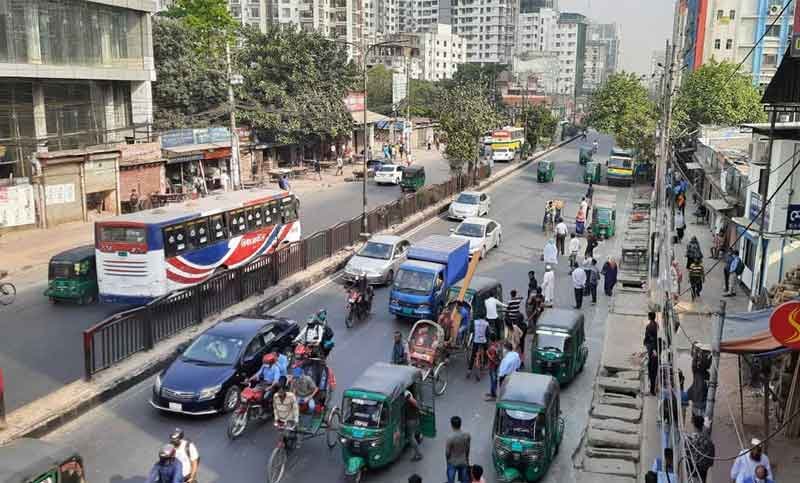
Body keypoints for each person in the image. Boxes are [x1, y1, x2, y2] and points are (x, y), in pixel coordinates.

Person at [686, 416, 715, 483]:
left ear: (694, 425)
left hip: (696, 466)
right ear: (702, 425)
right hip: (705, 466)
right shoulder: (708, 439)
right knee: (703, 479)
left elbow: (690, 455)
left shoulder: (693, 440)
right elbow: (711, 453)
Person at [445, 416, 471, 483]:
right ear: (460, 424)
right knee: (464, 480)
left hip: (452, 462)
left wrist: (447, 461)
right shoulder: (467, 435)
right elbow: (468, 448)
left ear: (452, 425)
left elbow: (447, 452)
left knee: (451, 479)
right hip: (463, 461)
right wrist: (467, 458)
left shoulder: (450, 438)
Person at [467, 316, 490, 381]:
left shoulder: (474, 322)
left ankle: (469, 370)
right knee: (486, 352)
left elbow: (471, 330)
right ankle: (485, 364)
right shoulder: (486, 323)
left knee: (473, 355)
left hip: (476, 341)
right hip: (483, 341)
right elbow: (488, 334)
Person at [405, 390, 423, 461]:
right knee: (413, 435)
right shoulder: (408, 393)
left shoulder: (406, 394)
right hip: (415, 419)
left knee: (411, 438)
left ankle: (418, 454)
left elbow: (414, 402)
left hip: (411, 420)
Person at [485, 333, 502, 400]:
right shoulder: (497, 345)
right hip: (497, 364)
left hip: (492, 365)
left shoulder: (492, 348)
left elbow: (492, 358)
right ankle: (492, 392)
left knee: (493, 379)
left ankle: (493, 395)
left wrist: (487, 353)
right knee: (494, 379)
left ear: (490, 339)